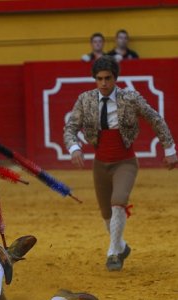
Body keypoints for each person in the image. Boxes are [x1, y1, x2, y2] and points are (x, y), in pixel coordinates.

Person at [63, 55, 176, 271]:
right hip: (100, 165)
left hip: (126, 162)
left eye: (108, 78)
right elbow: (71, 127)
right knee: (106, 214)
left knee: (118, 201)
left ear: (115, 78)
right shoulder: (86, 99)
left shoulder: (130, 98)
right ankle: (122, 246)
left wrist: (169, 149)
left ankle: (113, 253)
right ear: (94, 79)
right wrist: (74, 147)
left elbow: (155, 119)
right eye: (99, 79)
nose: (104, 83)